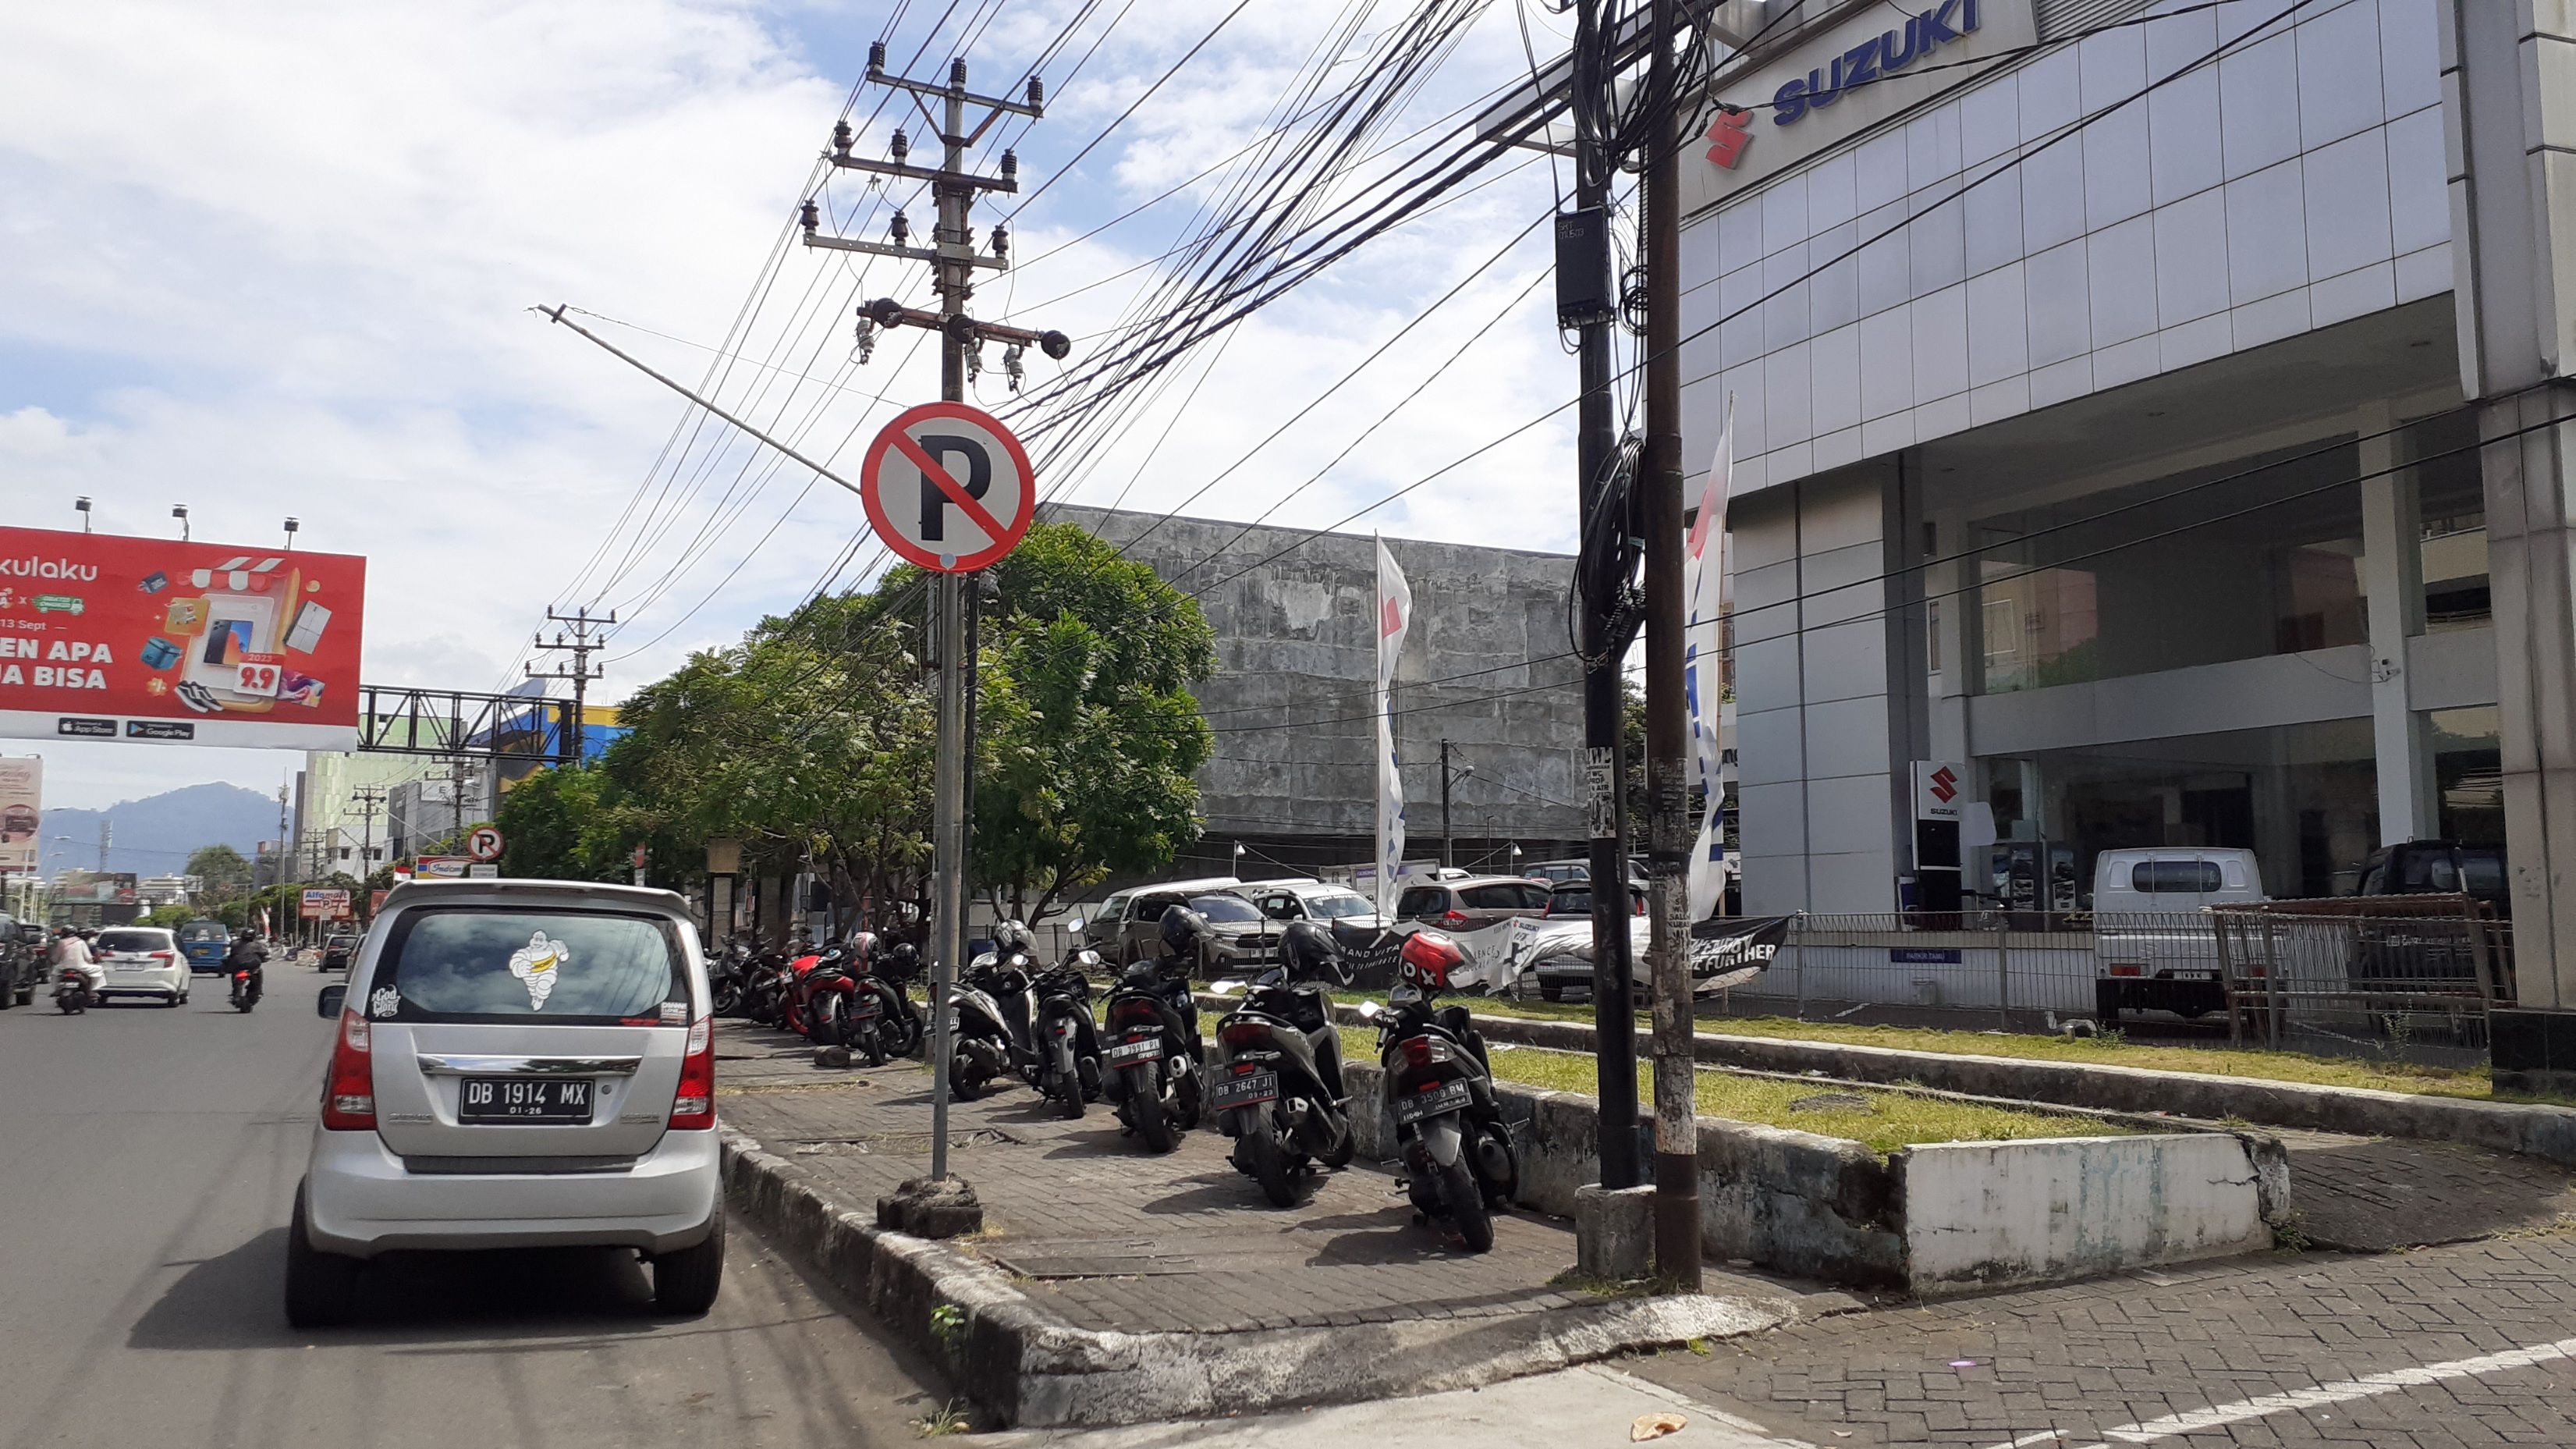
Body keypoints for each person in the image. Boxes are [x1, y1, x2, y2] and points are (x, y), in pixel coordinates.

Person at [48, 925, 100, 998]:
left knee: (54, 973)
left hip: (64, 967)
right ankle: (92, 990)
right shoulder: (81, 942)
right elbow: (88, 958)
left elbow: (56, 958)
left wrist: (54, 961)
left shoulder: (61, 942)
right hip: (80, 967)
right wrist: (91, 961)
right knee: (99, 970)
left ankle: (56, 989)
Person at [225, 929, 268, 1007]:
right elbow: (265, 954)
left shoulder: (235, 943)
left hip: (239, 967)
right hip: (249, 967)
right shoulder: (257, 944)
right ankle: (258, 991)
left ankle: (236, 993)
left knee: (236, 974)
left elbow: (230, 954)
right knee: (258, 972)